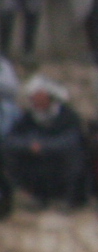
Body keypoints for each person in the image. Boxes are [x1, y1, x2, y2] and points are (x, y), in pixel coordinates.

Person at [2, 76, 88, 208]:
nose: (38, 102)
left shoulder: (67, 116)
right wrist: (29, 145)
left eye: (41, 98)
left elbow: (72, 140)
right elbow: (11, 140)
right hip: (37, 163)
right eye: (35, 98)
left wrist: (45, 146)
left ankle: (70, 199)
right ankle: (37, 197)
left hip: (61, 162)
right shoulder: (29, 117)